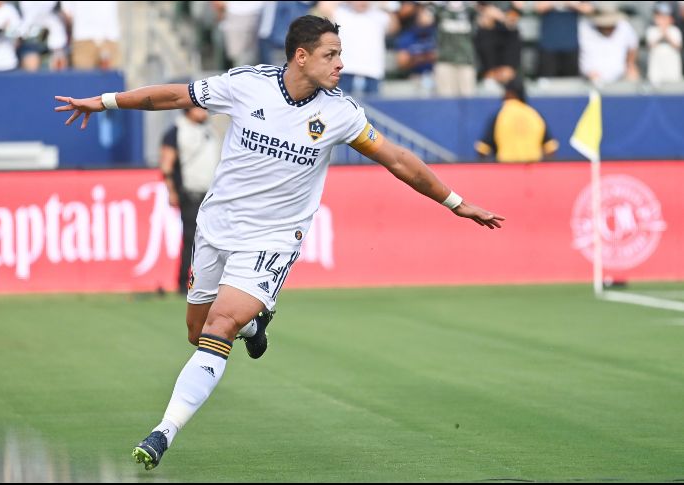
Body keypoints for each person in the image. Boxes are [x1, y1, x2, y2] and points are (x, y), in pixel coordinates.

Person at [55, 15, 504, 471]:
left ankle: (163, 431)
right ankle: (256, 323)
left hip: (272, 238)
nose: (341, 64)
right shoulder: (247, 84)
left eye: (340, 55)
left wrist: (455, 202)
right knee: (198, 331)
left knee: (217, 328)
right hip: (217, 227)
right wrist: (105, 101)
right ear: (301, 56)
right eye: (331, 55)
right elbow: (175, 95)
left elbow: (398, 159)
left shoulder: (340, 113)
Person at [159, 107, 222, 296]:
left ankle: (213, 283)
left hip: (212, 194)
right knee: (191, 240)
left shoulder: (209, 131)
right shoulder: (176, 132)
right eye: (199, 108)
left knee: (217, 242)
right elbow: (167, 164)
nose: (204, 111)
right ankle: (183, 282)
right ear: (188, 110)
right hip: (191, 193)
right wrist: (171, 191)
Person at [475, 77, 559, 163]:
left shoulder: (499, 115)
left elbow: (482, 149)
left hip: (505, 169)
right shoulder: (535, 115)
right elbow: (550, 149)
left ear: (509, 93)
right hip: (533, 170)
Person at [578, 3, 639, 84]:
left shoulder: (624, 27)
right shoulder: (584, 28)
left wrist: (630, 65)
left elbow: (632, 47)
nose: (608, 28)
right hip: (589, 82)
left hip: (620, 80)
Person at [534, 1, 594, 78]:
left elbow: (588, 9)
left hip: (571, 45)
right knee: (547, 83)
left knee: (571, 83)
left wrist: (570, 3)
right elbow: (538, 8)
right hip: (548, 45)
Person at [645, 2, 683, 85]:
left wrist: (666, 34)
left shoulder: (675, 31)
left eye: (664, 17)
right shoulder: (652, 30)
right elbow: (650, 45)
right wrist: (661, 33)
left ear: (671, 19)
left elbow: (678, 46)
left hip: (672, 70)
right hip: (656, 72)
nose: (661, 20)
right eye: (659, 17)